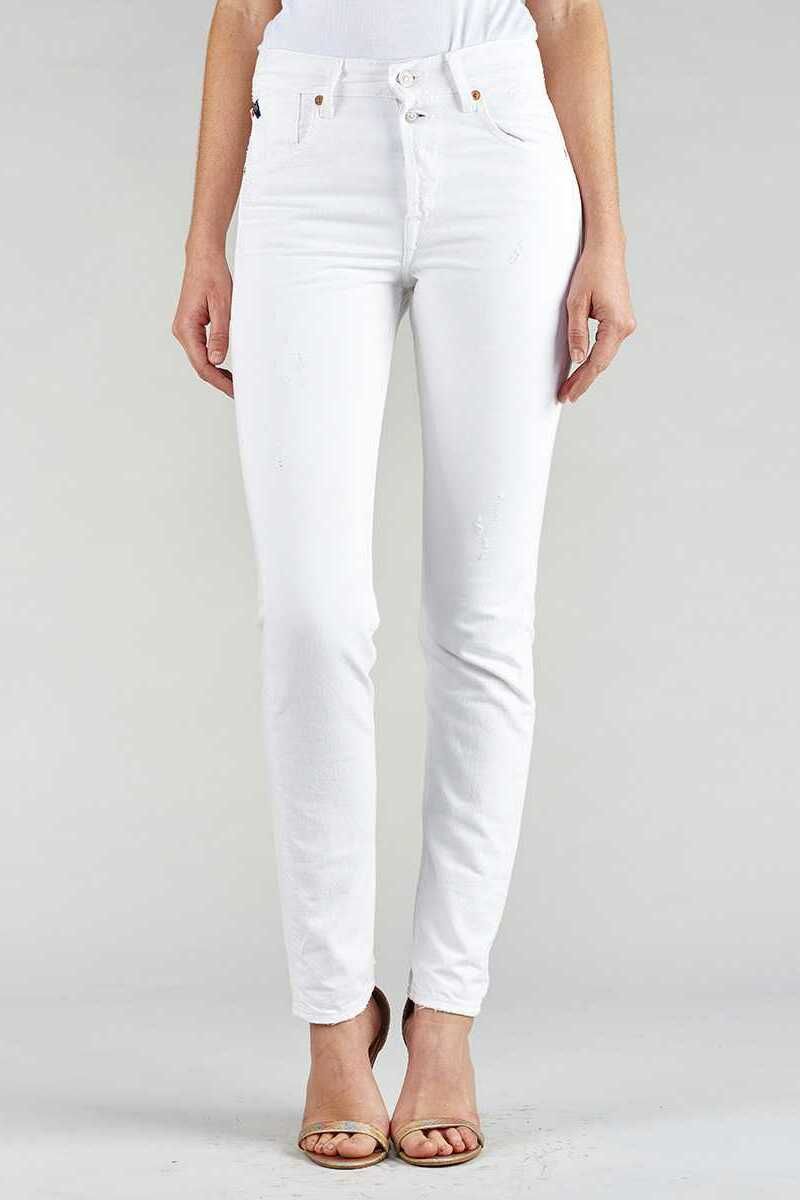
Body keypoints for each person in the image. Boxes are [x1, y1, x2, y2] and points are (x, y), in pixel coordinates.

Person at [172, 0, 635, 1170]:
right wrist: (203, 241)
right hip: (304, 153)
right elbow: (241, 13)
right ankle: (336, 1021)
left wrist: (607, 236)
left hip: (500, 153)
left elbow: (567, 13)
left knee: (481, 620)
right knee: (311, 617)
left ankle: (444, 1020)